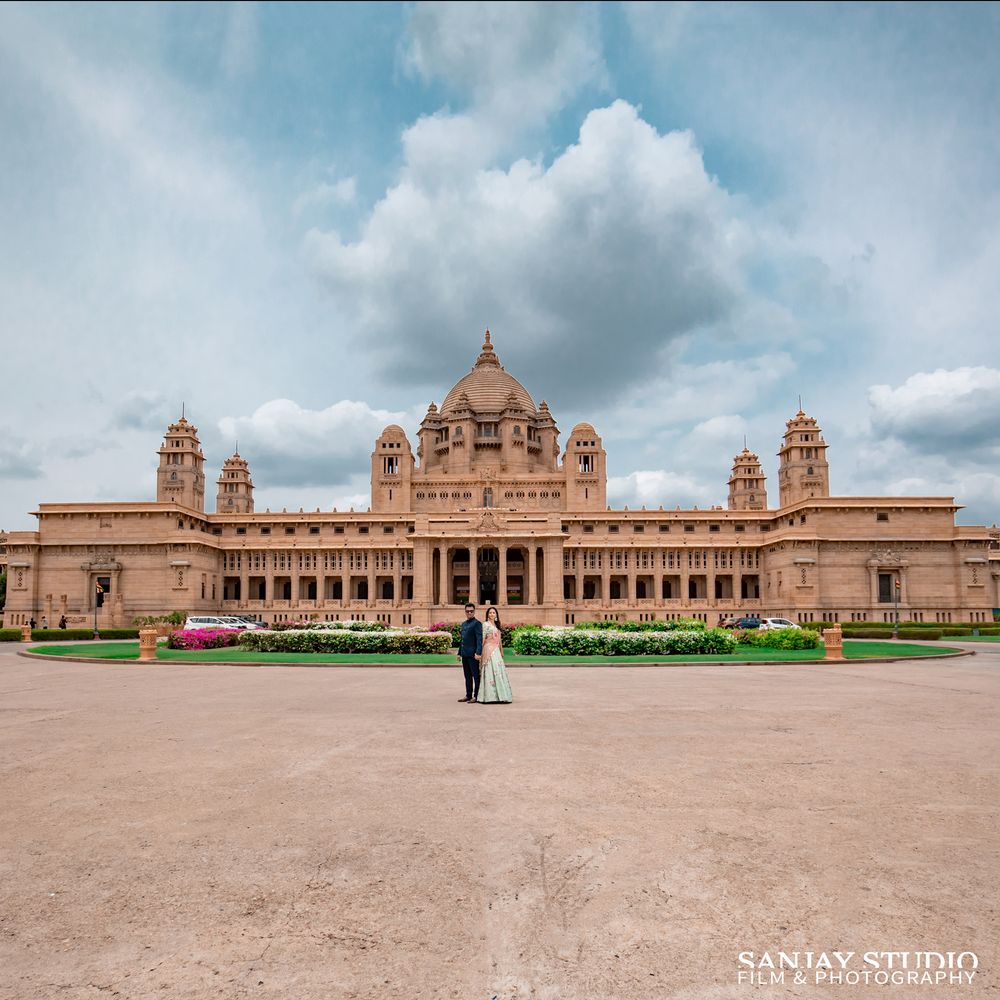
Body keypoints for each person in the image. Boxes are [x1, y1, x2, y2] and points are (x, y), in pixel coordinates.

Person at [477, 607, 513, 704]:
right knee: (490, 670)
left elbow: (499, 640)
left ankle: (501, 696)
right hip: (488, 649)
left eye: (494, 613)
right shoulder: (485, 624)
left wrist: (501, 651)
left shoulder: (497, 625)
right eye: (490, 613)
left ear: (496, 615)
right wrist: (479, 652)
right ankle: (489, 696)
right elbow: (483, 638)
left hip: (496, 649)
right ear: (487, 614)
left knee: (498, 670)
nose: (492, 614)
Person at [457, 603, 483, 703]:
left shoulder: (477, 624)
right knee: (467, 676)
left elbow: (479, 639)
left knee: (476, 676)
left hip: (473, 655)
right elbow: (462, 640)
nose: (469, 613)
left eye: (471, 611)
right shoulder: (464, 624)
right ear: (465, 612)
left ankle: (476, 696)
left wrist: (478, 653)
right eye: (467, 611)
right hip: (464, 654)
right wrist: (459, 653)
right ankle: (468, 695)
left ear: (474, 611)